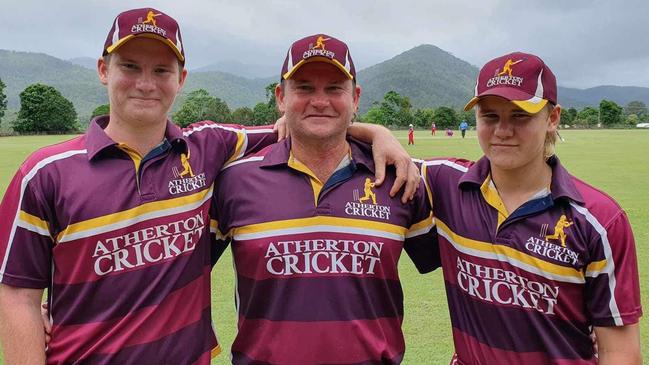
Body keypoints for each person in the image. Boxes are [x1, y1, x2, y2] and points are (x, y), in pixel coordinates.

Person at [0, 9, 419, 365]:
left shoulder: (207, 147)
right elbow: (16, 294)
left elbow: (304, 126)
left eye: (161, 69)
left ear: (181, 77)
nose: (146, 83)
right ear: (103, 69)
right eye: (130, 66)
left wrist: (375, 132)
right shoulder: (46, 173)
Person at [210, 34, 439, 365]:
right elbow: (179, 274)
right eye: (304, 88)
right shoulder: (235, 180)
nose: (320, 101)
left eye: (334, 89)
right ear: (281, 97)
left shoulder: (398, 178)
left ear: (355, 98)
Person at [421, 52, 642, 364]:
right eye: (490, 116)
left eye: (520, 116)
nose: (502, 130)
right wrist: (373, 132)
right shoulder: (444, 183)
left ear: (553, 118)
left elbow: (619, 350)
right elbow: (351, 146)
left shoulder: (599, 220)